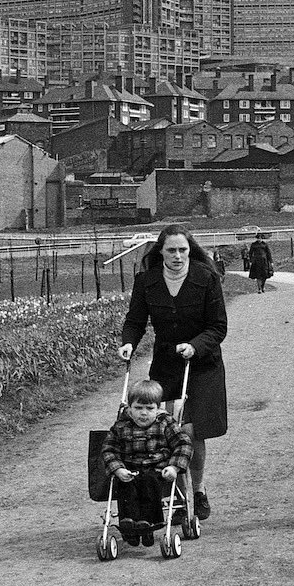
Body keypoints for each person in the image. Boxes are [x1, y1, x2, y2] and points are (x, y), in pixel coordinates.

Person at [119, 223, 227, 522]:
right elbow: (135, 320)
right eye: (171, 250)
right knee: (169, 430)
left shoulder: (206, 278)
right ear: (161, 252)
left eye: (183, 250)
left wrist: (195, 345)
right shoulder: (147, 281)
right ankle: (177, 498)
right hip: (167, 365)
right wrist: (128, 343)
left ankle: (199, 490)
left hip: (202, 363)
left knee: (192, 431)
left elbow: (218, 326)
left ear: (189, 250)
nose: (178, 256)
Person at [101, 379, 194, 546]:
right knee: (125, 486)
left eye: (149, 408)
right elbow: (109, 449)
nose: (143, 413)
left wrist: (173, 466)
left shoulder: (165, 423)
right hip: (130, 470)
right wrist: (118, 469)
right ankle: (129, 525)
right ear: (129, 409)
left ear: (158, 409)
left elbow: (183, 444)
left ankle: (149, 524)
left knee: (149, 481)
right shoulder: (121, 426)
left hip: (157, 471)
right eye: (138, 408)